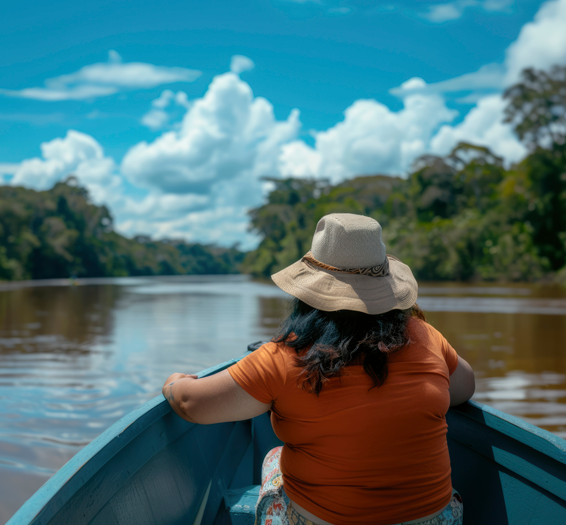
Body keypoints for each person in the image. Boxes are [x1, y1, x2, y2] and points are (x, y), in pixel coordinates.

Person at [162, 213, 476, 525]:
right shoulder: (426, 336)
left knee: (274, 457)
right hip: (431, 521)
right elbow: (464, 388)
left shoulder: (284, 356)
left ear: (310, 291)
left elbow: (191, 404)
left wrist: (174, 383)